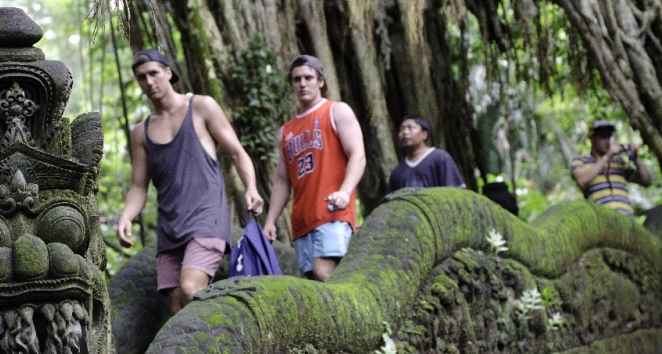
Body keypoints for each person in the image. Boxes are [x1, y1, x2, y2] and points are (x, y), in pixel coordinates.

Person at [117, 49, 264, 313]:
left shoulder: (201, 106)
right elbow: (139, 186)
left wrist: (251, 188)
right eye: (141, 77)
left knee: (190, 288)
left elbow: (236, 152)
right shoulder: (141, 132)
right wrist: (126, 217)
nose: (149, 82)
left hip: (207, 217)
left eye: (153, 73)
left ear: (168, 73)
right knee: (175, 305)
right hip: (170, 225)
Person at [263, 55, 366, 282]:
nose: (302, 84)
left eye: (308, 78)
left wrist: (345, 191)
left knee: (324, 272)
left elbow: (358, 155)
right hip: (301, 220)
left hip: (333, 212)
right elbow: (282, 180)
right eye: (297, 79)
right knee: (312, 282)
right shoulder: (286, 131)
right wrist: (270, 220)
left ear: (320, 82)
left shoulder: (336, 111)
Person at [571, 119, 651, 217]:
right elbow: (581, 181)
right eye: (603, 137)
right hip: (602, 221)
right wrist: (607, 156)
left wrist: (635, 157)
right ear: (592, 138)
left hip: (627, 219)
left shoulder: (618, 162)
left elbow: (646, 181)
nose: (607, 141)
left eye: (608, 137)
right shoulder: (580, 161)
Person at [387, 116, 465, 193]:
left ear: (424, 134)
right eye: (401, 129)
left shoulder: (440, 158)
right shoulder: (397, 172)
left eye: (411, 128)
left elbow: (454, 192)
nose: (405, 132)